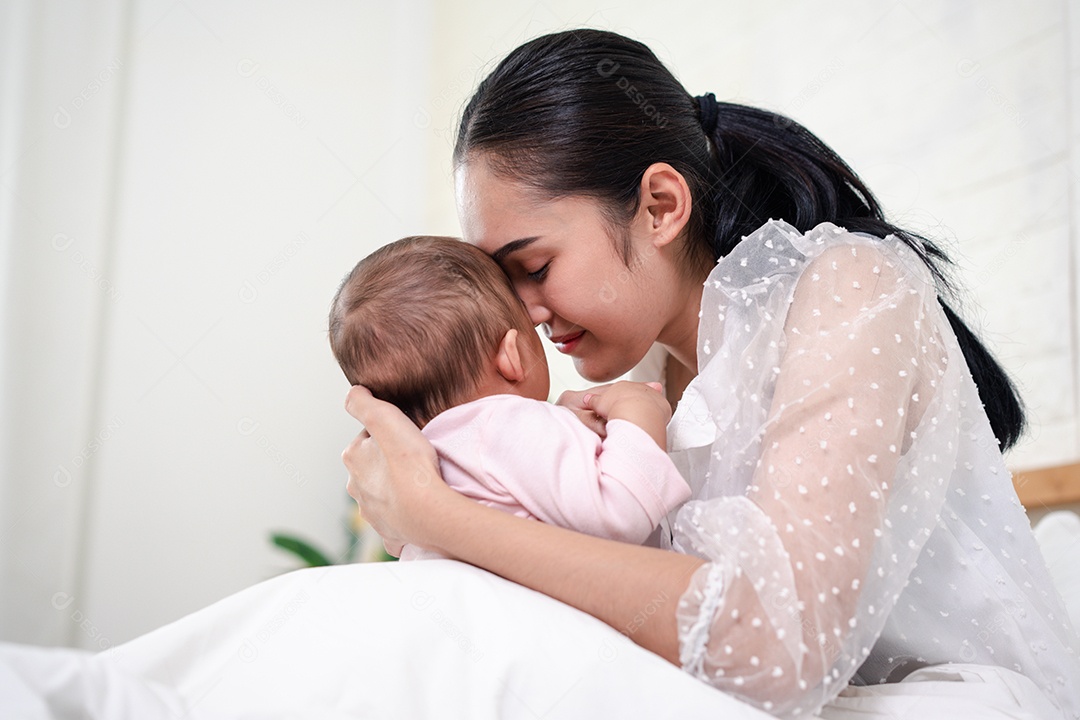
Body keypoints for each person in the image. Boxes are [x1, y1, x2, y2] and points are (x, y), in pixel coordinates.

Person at [343, 29, 1080, 719]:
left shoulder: (849, 288)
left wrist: (438, 516)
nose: (524, 314)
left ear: (660, 206)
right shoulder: (650, 394)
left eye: (533, 268)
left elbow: (776, 645)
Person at [328, 235, 691, 560]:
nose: (539, 317)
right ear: (512, 356)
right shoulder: (503, 426)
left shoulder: (419, 467)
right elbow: (620, 516)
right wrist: (637, 411)